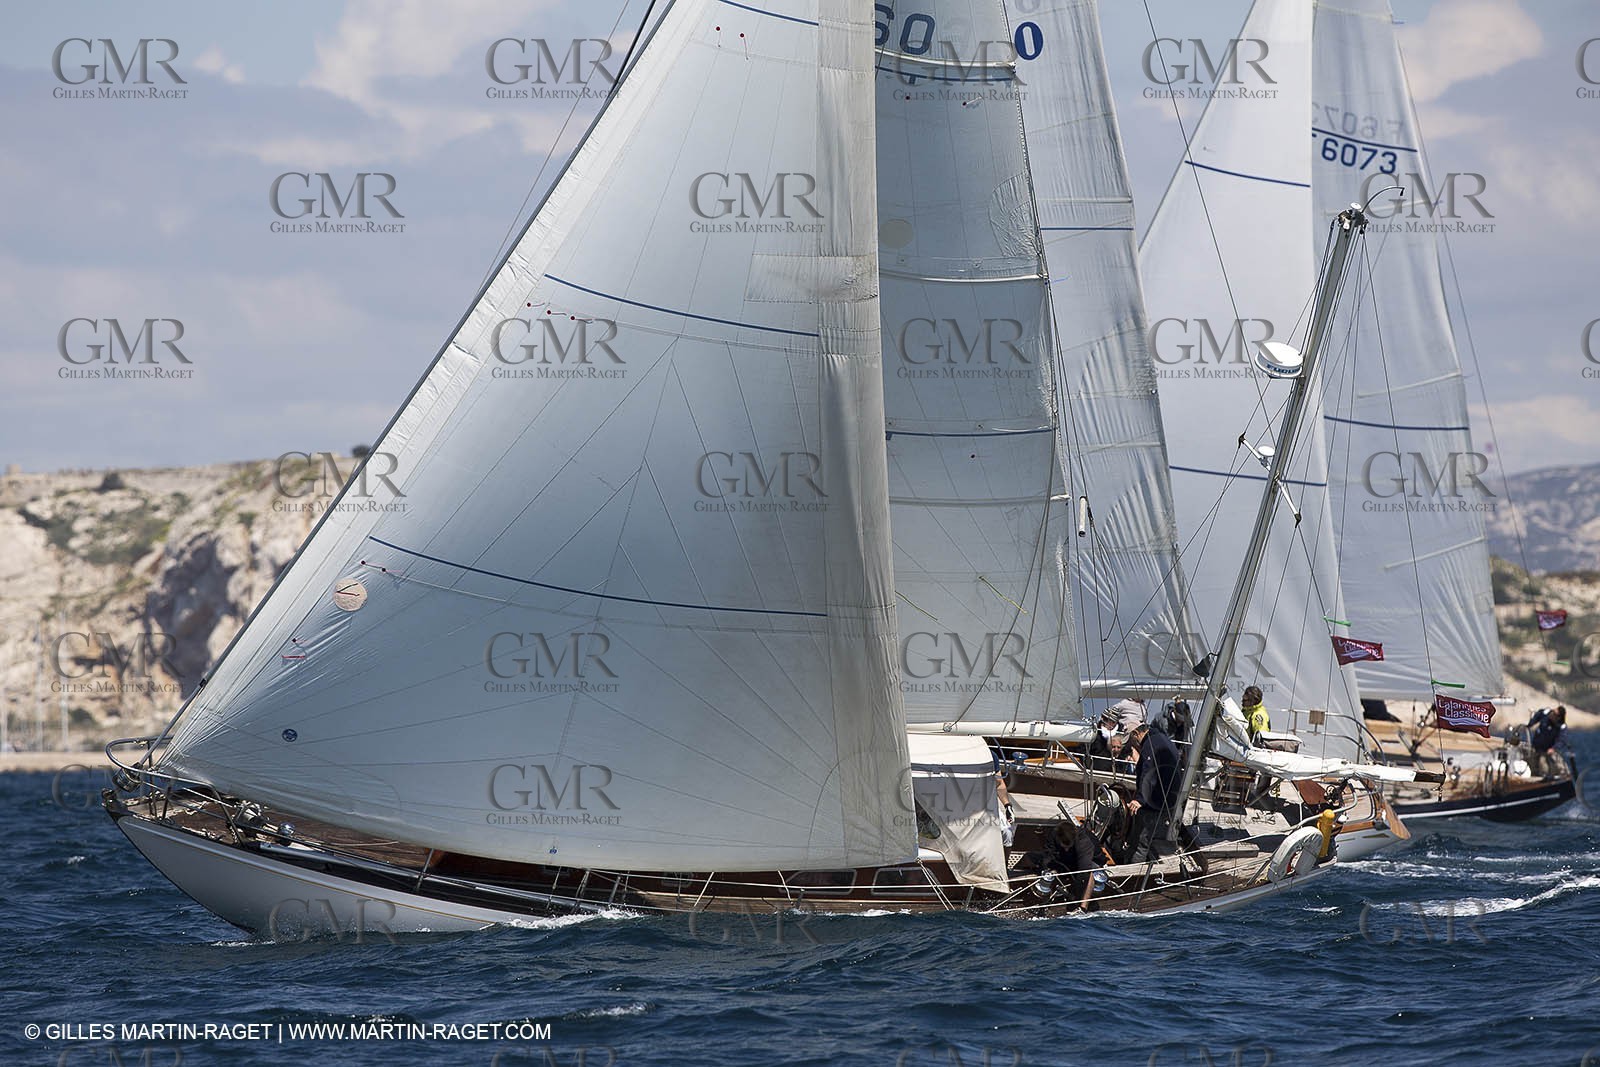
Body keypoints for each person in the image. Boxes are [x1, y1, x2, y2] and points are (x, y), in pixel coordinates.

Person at [1110, 705, 1183, 864]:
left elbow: (1149, 774)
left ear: (1136, 734)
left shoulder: (1150, 745)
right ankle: (1128, 861)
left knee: (1141, 843)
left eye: (1131, 740)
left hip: (1155, 802)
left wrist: (1140, 800)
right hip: (1166, 798)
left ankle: (1132, 875)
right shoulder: (1158, 737)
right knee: (1139, 838)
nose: (1131, 744)